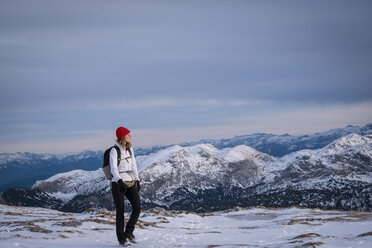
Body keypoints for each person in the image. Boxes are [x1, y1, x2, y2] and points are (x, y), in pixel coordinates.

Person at [110, 126, 141, 246]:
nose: (130, 136)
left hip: (131, 181)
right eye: (128, 134)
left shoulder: (129, 148)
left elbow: (134, 165)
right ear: (123, 137)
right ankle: (121, 239)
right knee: (120, 212)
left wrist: (137, 179)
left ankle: (129, 232)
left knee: (137, 208)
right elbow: (113, 168)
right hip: (118, 183)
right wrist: (119, 181)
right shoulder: (114, 150)